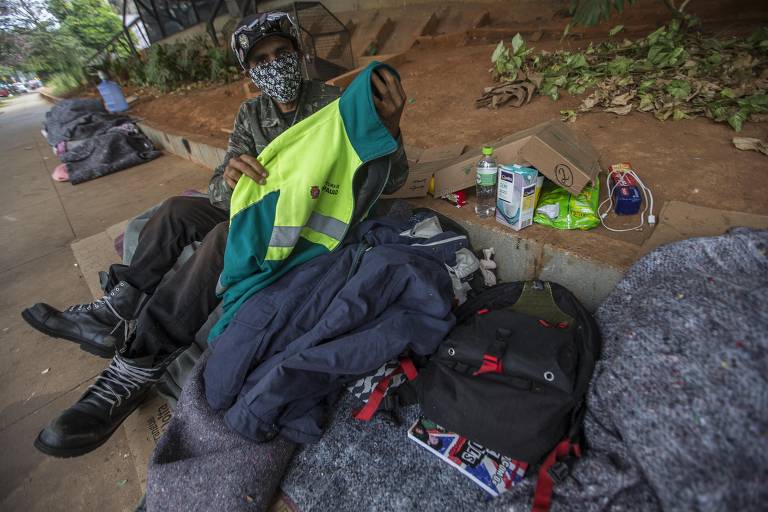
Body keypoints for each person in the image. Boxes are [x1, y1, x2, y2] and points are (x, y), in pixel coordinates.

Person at [21, 11, 409, 458]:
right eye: (261, 59)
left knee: (225, 237)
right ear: (250, 71)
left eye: (282, 52)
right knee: (175, 211)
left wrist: (392, 128)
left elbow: (390, 180)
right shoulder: (251, 113)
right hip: (256, 207)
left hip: (302, 222)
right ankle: (120, 305)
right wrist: (228, 179)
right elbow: (221, 183)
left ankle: (136, 365)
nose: (274, 63)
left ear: (299, 54)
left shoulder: (335, 106)